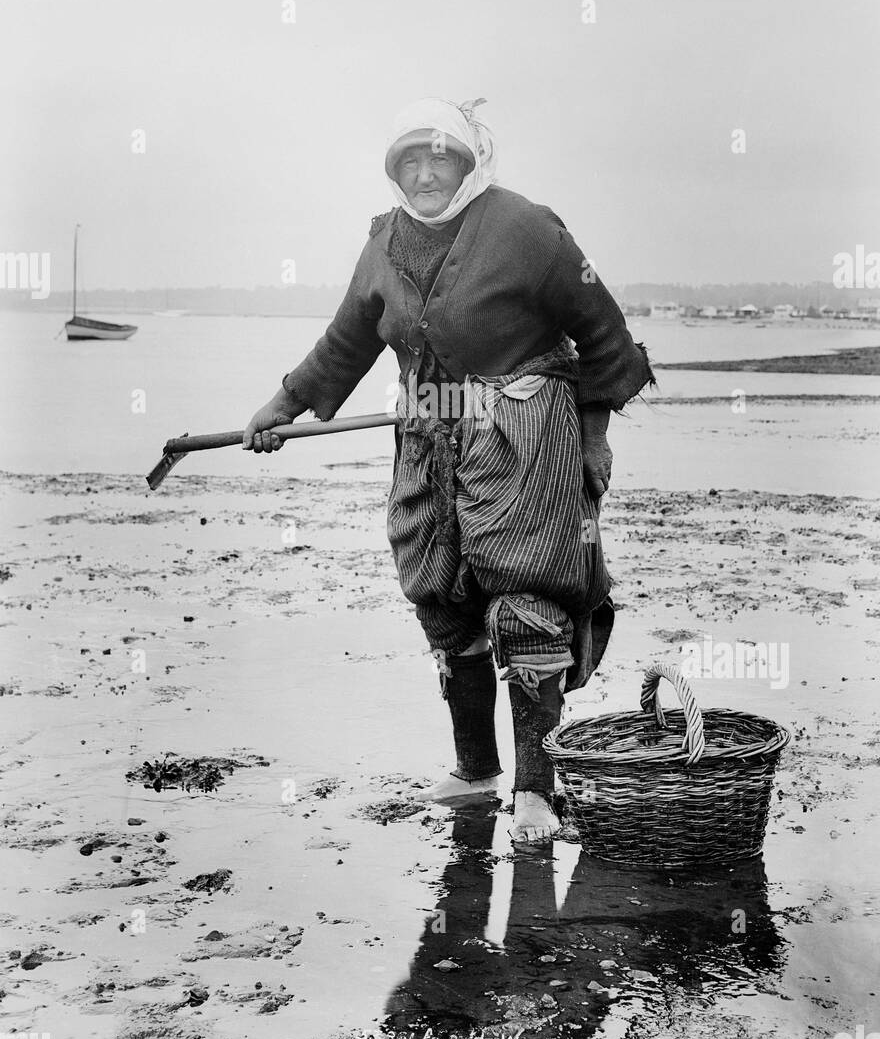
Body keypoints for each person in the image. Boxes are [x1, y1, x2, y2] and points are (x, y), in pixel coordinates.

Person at [243, 97, 654, 843]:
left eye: (441, 159)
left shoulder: (529, 229)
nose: (426, 173)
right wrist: (284, 404)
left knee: (527, 602)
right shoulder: (385, 243)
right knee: (438, 592)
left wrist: (592, 434)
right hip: (428, 437)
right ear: (395, 170)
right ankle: (475, 770)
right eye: (411, 161)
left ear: (468, 164)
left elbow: (603, 333)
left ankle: (535, 791)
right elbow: (347, 339)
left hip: (524, 434)